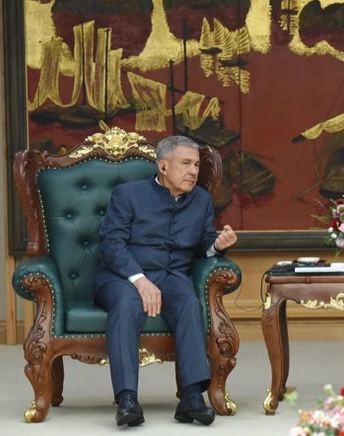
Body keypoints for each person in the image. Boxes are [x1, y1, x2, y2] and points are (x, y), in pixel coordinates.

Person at [94, 135, 238, 427]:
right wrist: (139, 280)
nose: (193, 171)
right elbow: (112, 244)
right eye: (185, 163)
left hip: (172, 277)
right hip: (122, 275)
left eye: (196, 164)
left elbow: (204, 242)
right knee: (125, 305)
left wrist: (218, 245)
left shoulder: (201, 200)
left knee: (188, 302)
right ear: (163, 166)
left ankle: (192, 396)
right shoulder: (128, 194)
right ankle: (127, 399)